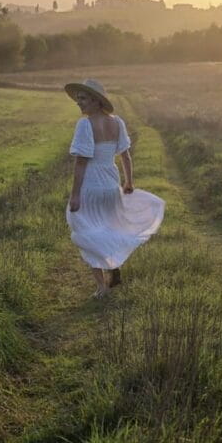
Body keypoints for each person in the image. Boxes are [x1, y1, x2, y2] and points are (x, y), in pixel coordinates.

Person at [64, 79, 165, 298]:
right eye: (78, 98)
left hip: (91, 185)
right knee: (109, 227)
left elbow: (81, 162)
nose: (78, 103)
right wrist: (128, 182)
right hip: (110, 184)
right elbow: (125, 155)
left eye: (82, 98)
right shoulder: (117, 122)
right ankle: (113, 268)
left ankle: (101, 287)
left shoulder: (85, 124)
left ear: (95, 100)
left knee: (87, 231)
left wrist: (75, 195)